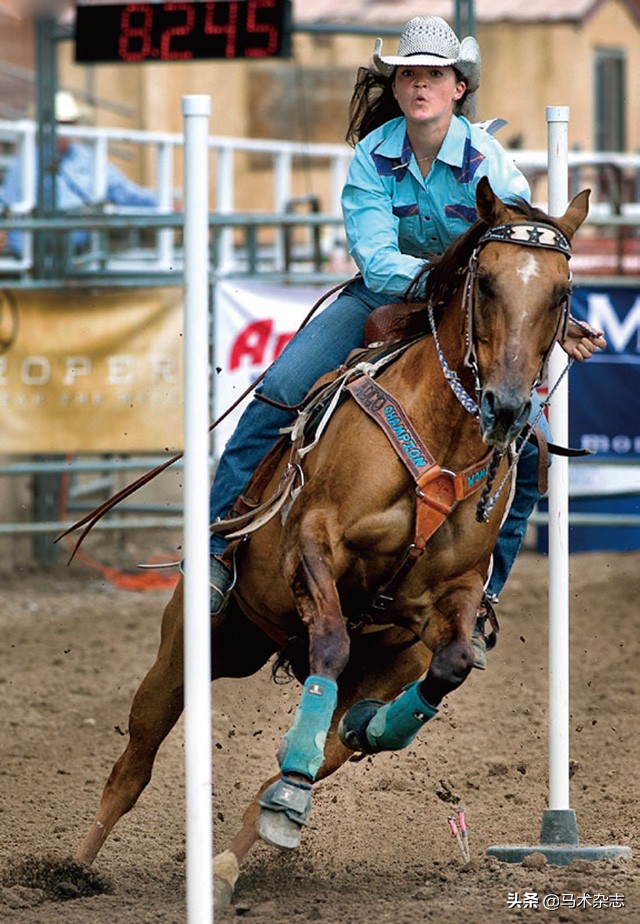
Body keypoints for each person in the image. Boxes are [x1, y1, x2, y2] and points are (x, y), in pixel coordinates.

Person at [207, 16, 605, 669]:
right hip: (384, 296)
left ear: (457, 87)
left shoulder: (493, 166)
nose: (420, 84)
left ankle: (481, 594)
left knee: (528, 449)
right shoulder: (373, 156)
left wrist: (557, 320)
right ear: (397, 87)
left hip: (468, 309)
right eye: (409, 74)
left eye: (433, 74)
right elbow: (373, 255)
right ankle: (217, 546)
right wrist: (432, 277)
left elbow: (523, 268)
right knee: (280, 386)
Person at [0, 90, 158, 256]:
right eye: (59, 123)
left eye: (70, 124)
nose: (64, 130)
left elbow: (123, 191)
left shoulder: (88, 157)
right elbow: (9, 203)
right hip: (38, 251)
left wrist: (161, 202)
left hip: (81, 251)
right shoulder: (26, 162)